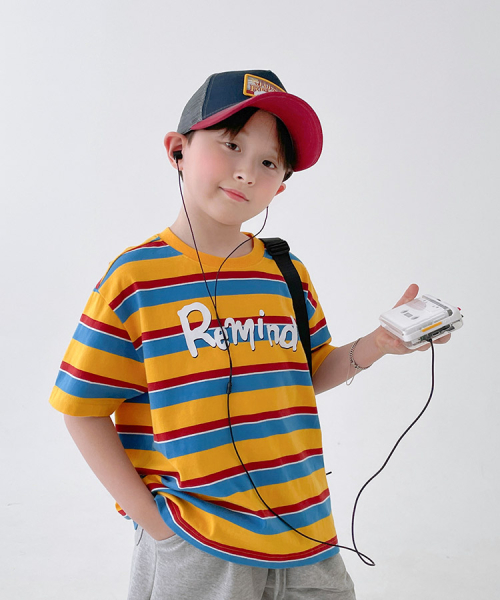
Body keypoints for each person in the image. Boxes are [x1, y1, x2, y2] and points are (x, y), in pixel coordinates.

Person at [49, 70, 450, 600]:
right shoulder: (136, 279)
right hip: (198, 539)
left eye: (268, 163)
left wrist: (379, 343)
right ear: (177, 151)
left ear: (280, 185)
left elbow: (307, 373)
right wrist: (157, 526)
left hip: (307, 530)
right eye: (231, 145)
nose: (246, 172)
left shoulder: (285, 270)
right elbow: (82, 409)